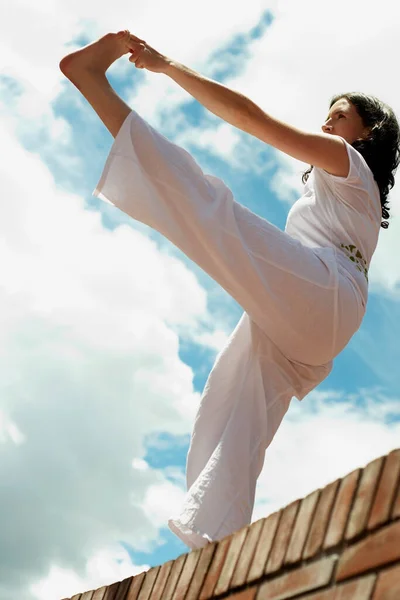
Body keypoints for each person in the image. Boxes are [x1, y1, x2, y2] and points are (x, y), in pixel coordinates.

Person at [59, 30, 400, 550]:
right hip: (319, 324)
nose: (327, 123)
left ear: (367, 131)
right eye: (327, 114)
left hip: (325, 290)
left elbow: (251, 119)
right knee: (230, 404)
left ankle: (91, 82)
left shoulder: (347, 163)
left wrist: (168, 65)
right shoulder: (343, 191)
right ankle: (214, 539)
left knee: (213, 213)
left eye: (340, 114)